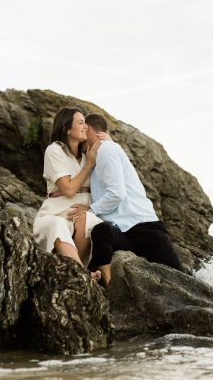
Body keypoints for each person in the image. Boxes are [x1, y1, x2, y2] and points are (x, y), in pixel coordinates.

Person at [66, 113, 182, 285]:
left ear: (89, 129)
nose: (82, 135)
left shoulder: (106, 149)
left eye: (84, 129)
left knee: (181, 282)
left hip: (144, 228)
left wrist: (89, 210)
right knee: (101, 231)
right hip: (124, 232)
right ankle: (110, 287)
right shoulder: (96, 156)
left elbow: (117, 193)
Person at [32, 107, 107, 272]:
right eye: (81, 123)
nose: (85, 127)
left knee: (90, 220)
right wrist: (89, 166)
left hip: (81, 219)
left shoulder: (88, 153)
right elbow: (68, 190)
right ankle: (81, 274)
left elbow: (113, 163)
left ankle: (75, 271)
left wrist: (108, 141)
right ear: (66, 128)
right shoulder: (54, 150)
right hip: (54, 215)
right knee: (57, 224)